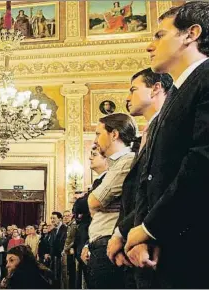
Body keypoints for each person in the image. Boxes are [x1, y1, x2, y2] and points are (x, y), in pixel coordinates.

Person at [123, 2, 209, 288]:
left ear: (191, 34)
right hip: (164, 246)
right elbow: (150, 175)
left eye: (159, 35)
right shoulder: (175, 94)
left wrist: (150, 228)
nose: (150, 46)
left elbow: (201, 162)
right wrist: (142, 232)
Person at [106, 68, 172, 288]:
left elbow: (157, 190)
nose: (127, 97)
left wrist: (123, 233)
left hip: (152, 245)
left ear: (156, 89)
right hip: (133, 244)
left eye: (133, 89)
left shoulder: (168, 128)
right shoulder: (146, 133)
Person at [87, 113, 136, 288]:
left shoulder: (126, 161)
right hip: (102, 242)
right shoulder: (114, 165)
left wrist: (101, 205)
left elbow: (94, 202)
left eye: (98, 134)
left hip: (110, 243)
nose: (95, 141)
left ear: (114, 134)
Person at [75, 145, 108, 288]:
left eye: (94, 154)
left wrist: (84, 199)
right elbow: (78, 206)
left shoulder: (107, 180)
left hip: (97, 243)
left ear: (106, 159)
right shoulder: (97, 182)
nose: (90, 157)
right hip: (89, 244)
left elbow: (81, 205)